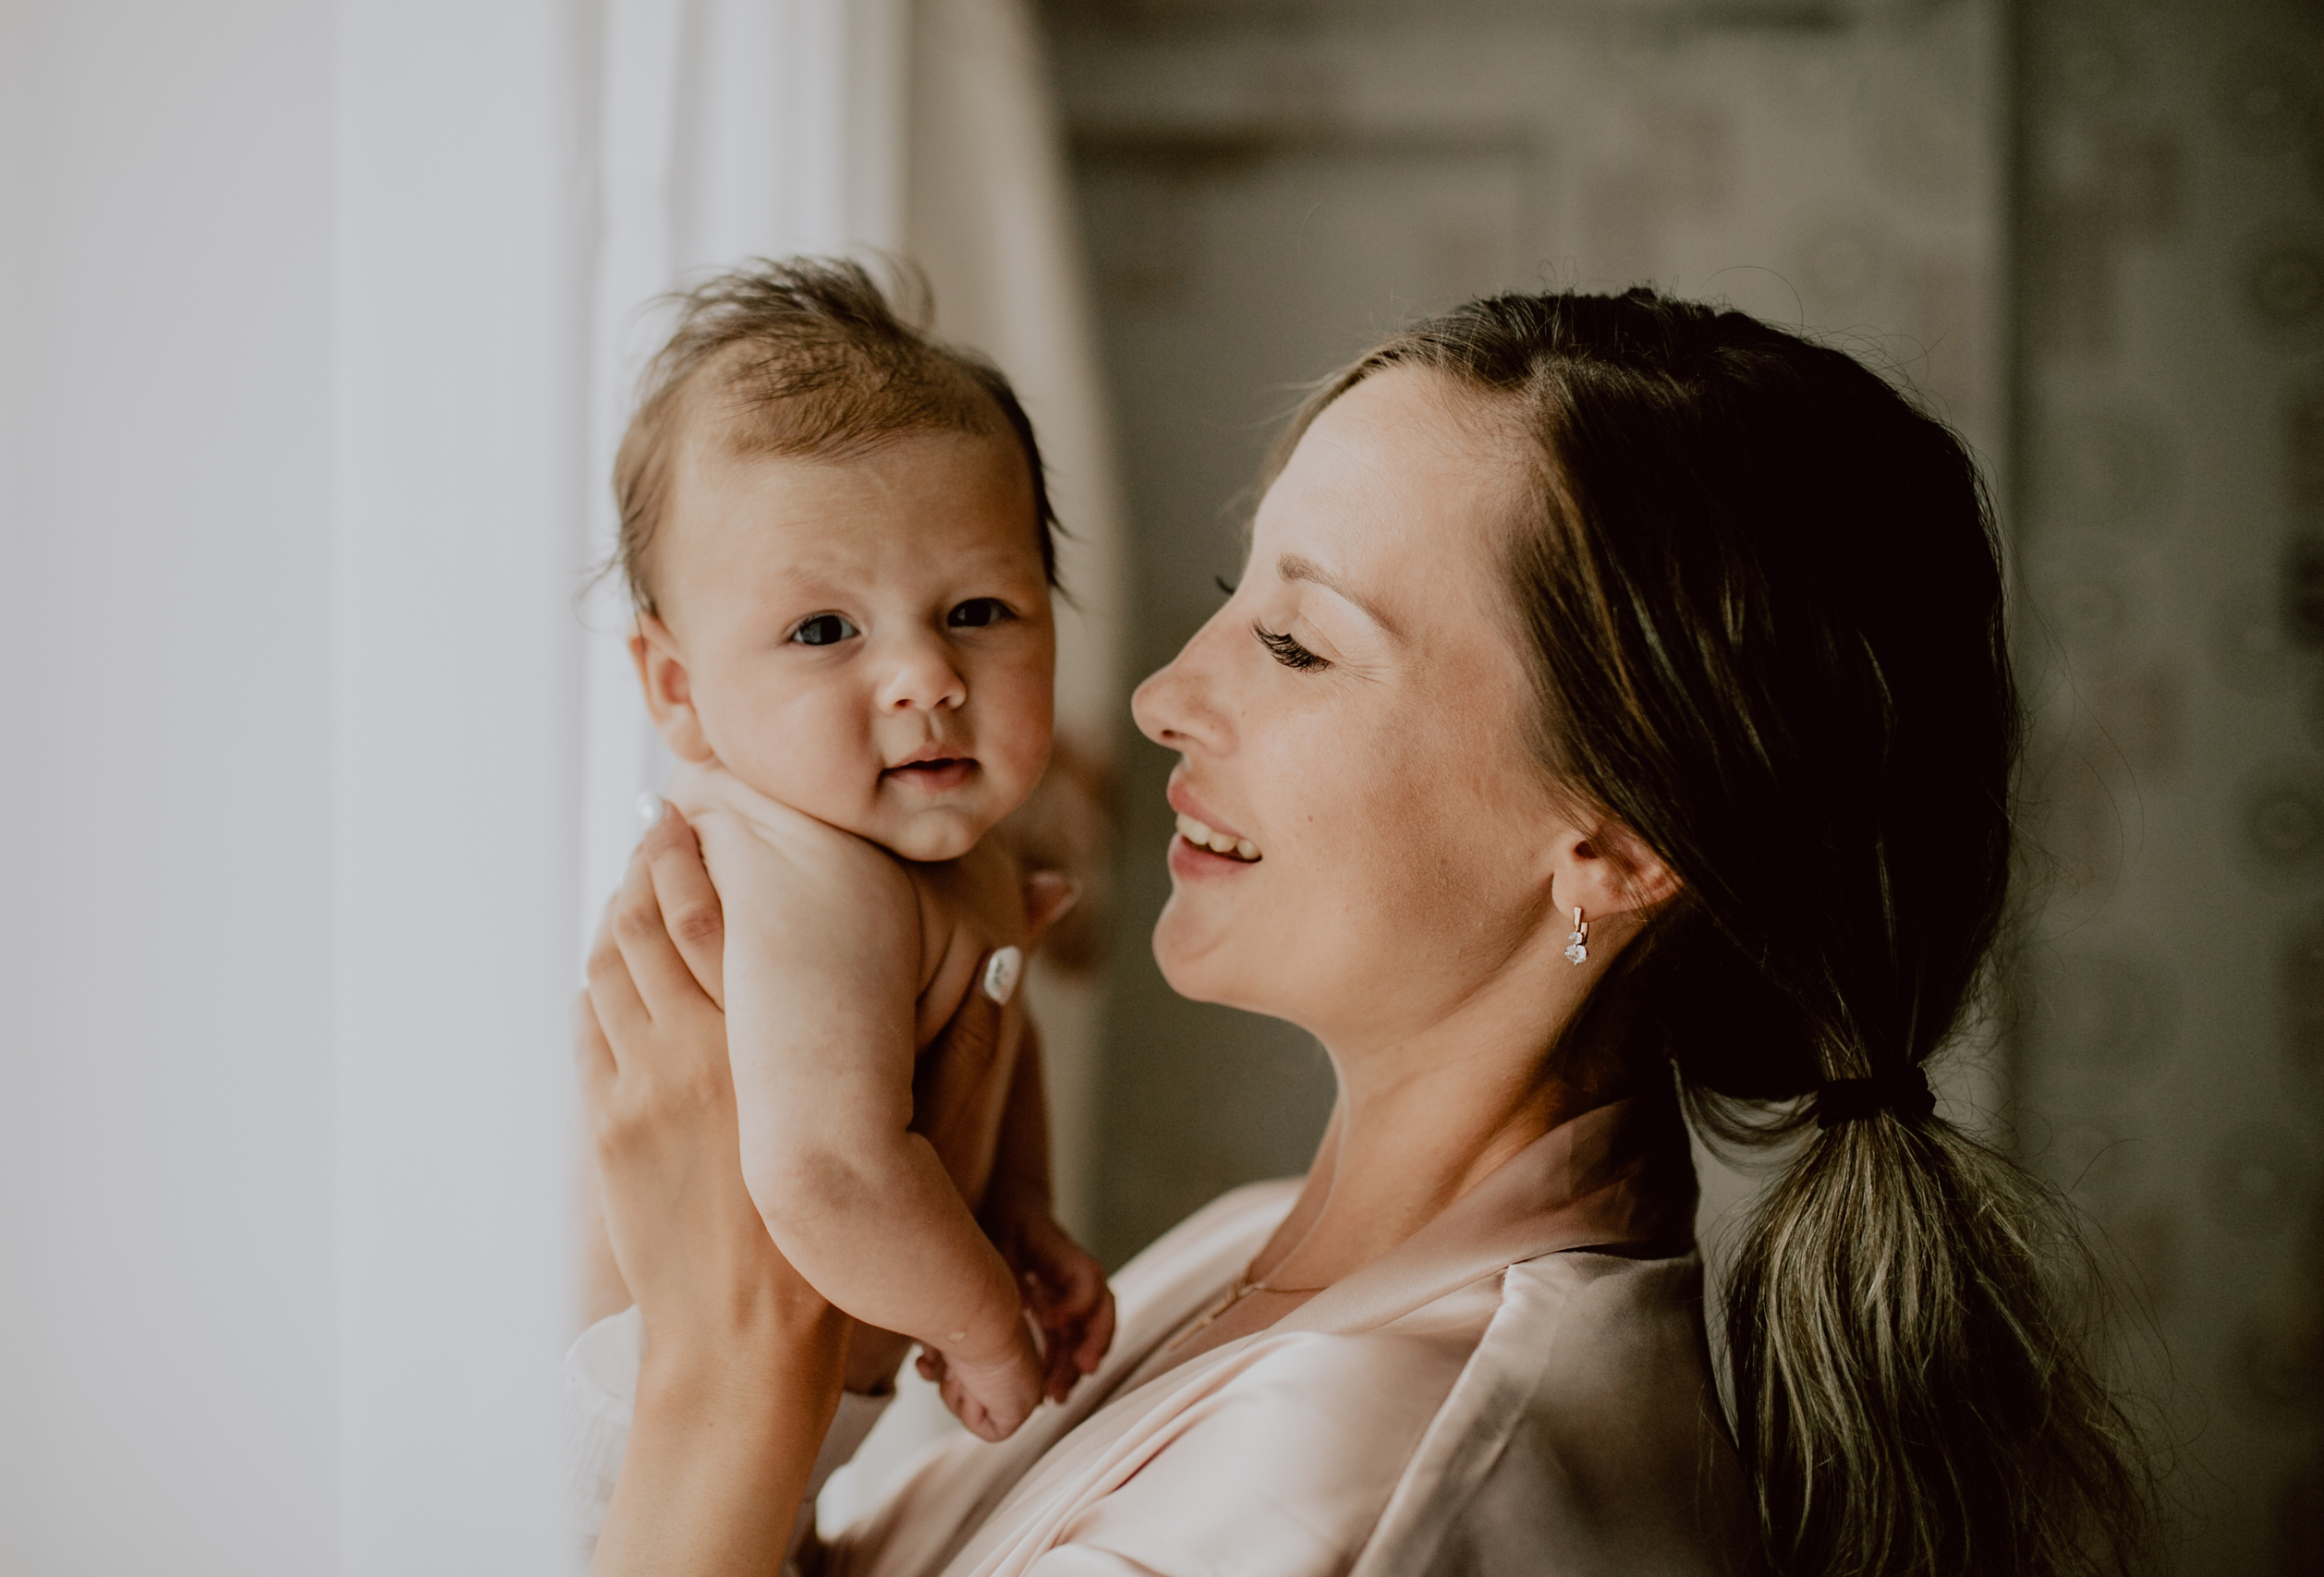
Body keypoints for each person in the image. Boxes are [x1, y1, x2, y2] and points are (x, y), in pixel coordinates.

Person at [575, 287, 2161, 1577]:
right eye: (1228, 591)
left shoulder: (1369, 1486)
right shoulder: (1245, 1251)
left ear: (1608, 845)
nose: (1159, 695)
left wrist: (733, 1364)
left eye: (1295, 643)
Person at [590, 258, 1113, 1449]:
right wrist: (986, 1329)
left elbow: (994, 1015)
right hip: (651, 1449)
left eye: (978, 612)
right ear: (679, 690)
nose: (927, 678)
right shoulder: (796, 873)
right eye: (826, 631)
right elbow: (825, 1168)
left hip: (777, 1442)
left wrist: (1017, 1210)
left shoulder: (927, 850)